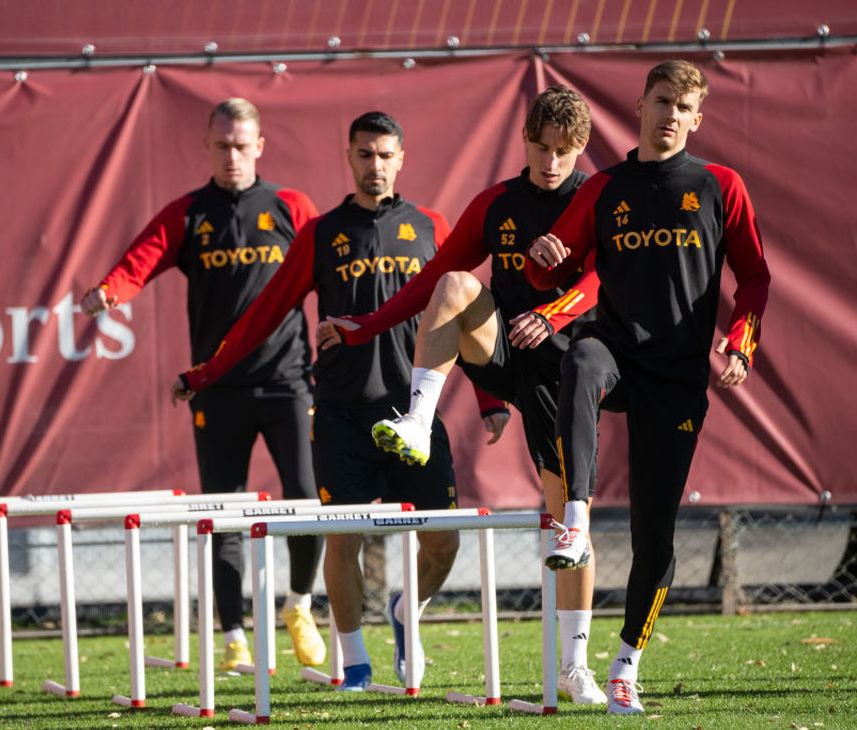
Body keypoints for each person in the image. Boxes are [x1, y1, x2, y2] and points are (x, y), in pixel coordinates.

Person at [317, 86, 608, 705]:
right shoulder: (496, 203)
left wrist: (554, 313)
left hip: (569, 371)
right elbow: (430, 280)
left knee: (567, 522)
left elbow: (602, 279)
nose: (550, 162)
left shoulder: (595, 196)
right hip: (506, 357)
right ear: (524, 142)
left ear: (581, 148)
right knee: (452, 284)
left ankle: (576, 666)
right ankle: (419, 419)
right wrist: (365, 327)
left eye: (563, 151)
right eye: (539, 148)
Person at [174, 112, 459, 692]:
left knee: (444, 542)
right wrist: (206, 371)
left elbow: (464, 317)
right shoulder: (321, 233)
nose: (374, 166)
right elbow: (263, 314)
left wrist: (490, 403)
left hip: (413, 416)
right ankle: (353, 661)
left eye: (384, 155)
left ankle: (407, 612)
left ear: (401, 158)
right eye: (363, 155)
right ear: (347, 157)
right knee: (344, 538)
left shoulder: (432, 226)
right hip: (341, 413)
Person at [523, 60, 770, 714]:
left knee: (653, 538)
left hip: (678, 374)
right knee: (579, 360)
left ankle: (626, 664)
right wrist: (542, 257)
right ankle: (572, 520)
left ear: (696, 118)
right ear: (640, 104)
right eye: (661, 100)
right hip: (616, 347)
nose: (669, 114)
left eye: (683, 106)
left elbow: (755, 280)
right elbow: (555, 269)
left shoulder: (721, 186)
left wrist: (741, 340)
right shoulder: (603, 187)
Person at [80, 98, 326, 672]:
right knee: (224, 509)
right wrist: (110, 291)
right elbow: (141, 259)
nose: (232, 155)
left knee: (308, 501)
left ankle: (299, 605)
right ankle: (235, 635)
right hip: (216, 388)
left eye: (242, 145)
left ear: (260, 146)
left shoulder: (291, 206)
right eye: (222, 145)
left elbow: (327, 268)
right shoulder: (189, 213)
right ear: (207, 147)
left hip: (289, 379)